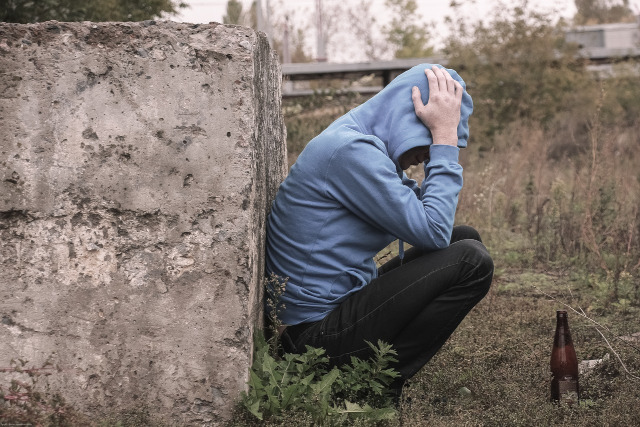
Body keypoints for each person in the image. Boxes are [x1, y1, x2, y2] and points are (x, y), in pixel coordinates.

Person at [265, 64, 494, 397]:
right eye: (426, 139)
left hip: (331, 315)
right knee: (471, 261)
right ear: (408, 117)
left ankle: (373, 379)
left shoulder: (361, 143)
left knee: (466, 238)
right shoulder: (350, 152)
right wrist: (444, 140)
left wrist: (441, 143)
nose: (424, 157)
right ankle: (377, 387)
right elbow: (433, 229)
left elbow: (428, 218)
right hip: (308, 340)